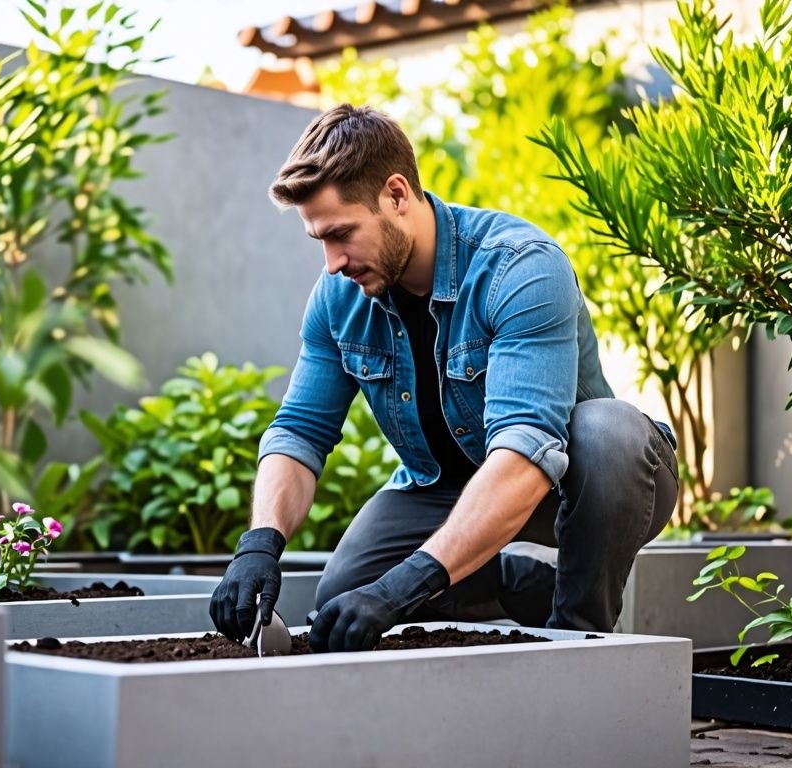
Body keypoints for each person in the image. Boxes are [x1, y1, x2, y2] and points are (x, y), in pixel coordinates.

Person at [209, 104, 679, 653]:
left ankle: (578, 634)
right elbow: (299, 431)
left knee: (609, 432)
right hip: (443, 487)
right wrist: (259, 543)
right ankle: (516, 585)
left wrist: (405, 586)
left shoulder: (519, 266)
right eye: (319, 240)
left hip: (574, 484)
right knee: (346, 596)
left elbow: (525, 453)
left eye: (341, 234)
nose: (333, 261)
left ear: (397, 195)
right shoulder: (338, 297)